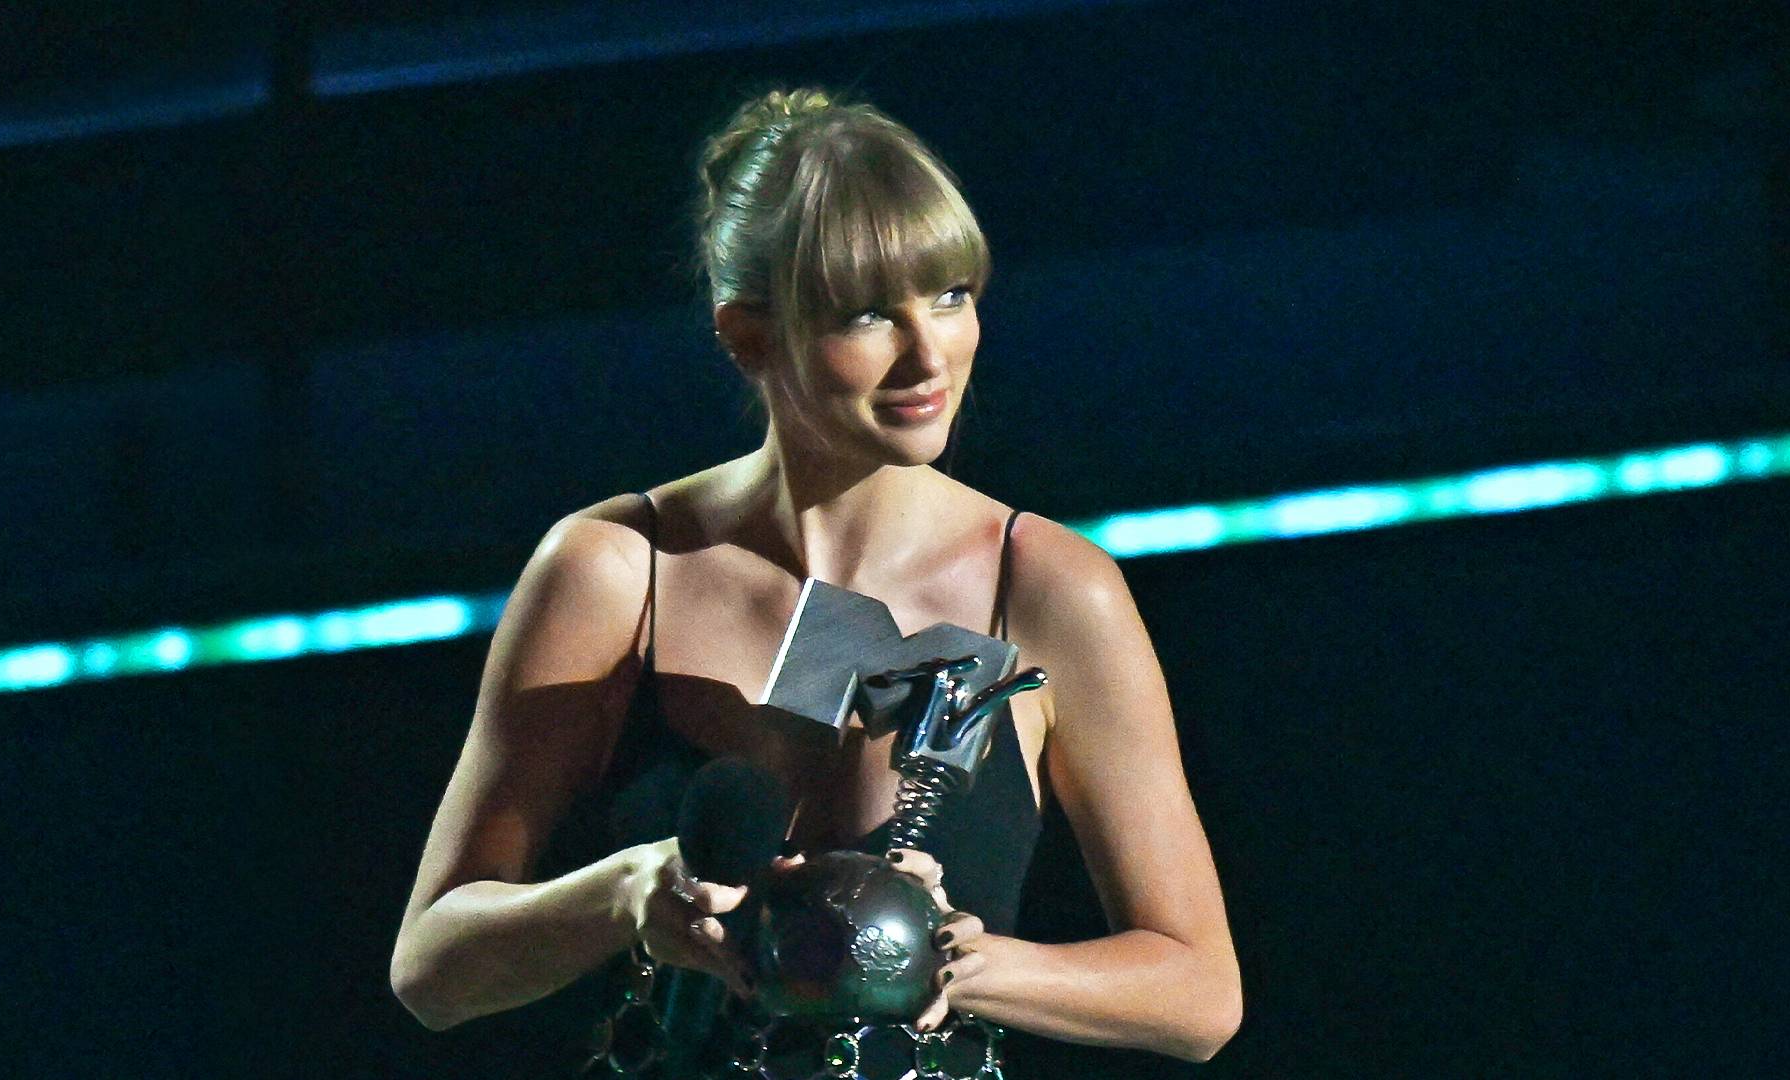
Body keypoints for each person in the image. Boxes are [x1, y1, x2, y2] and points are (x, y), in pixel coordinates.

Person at [390, 88, 1241, 1076]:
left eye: (951, 295)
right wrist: (626, 893)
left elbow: (1199, 994)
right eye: (869, 314)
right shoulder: (617, 571)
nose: (929, 354)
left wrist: (958, 962)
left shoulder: (1051, 587)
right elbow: (433, 970)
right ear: (749, 335)